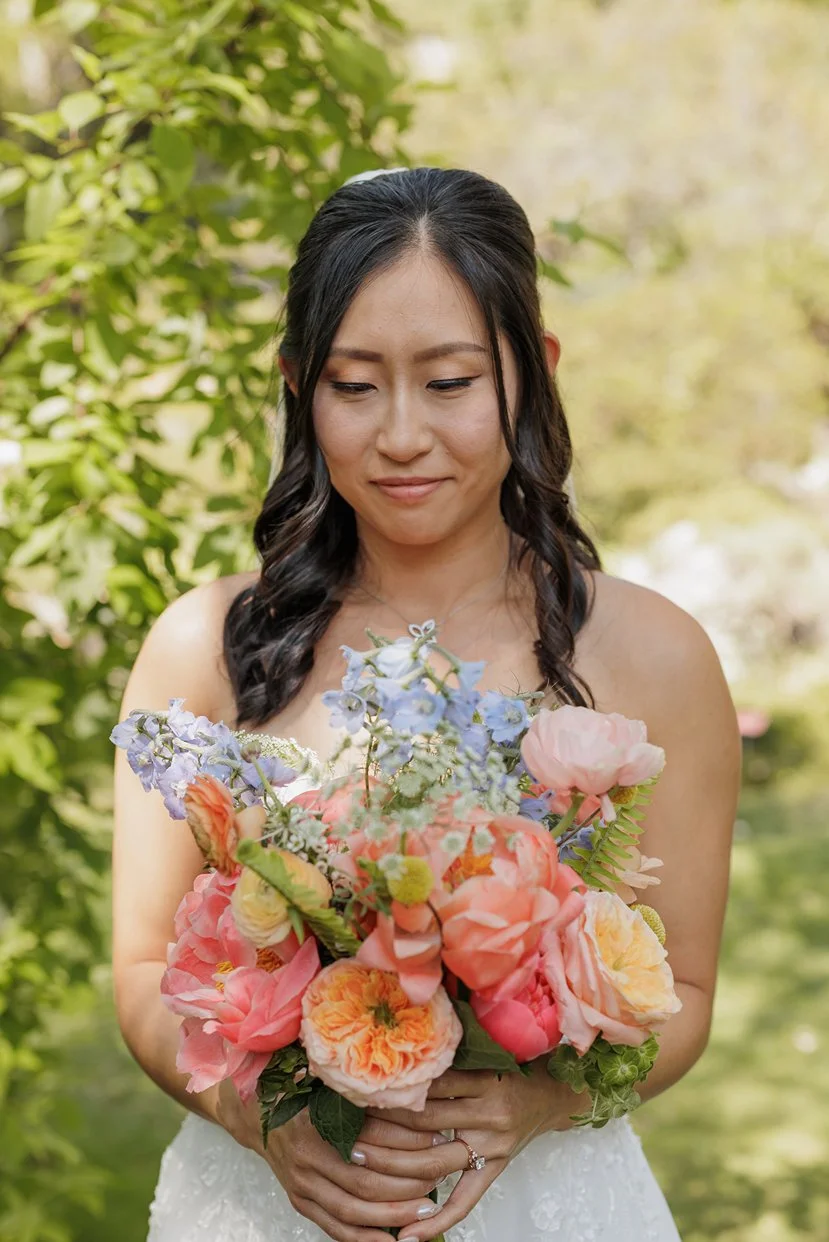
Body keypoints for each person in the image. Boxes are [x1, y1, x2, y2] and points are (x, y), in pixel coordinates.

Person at [112, 166, 741, 1242]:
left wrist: (536, 1103)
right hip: (262, 1210)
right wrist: (260, 1123)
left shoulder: (654, 655)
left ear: (532, 373)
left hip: (543, 1205)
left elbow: (679, 985)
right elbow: (138, 969)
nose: (400, 434)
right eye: (354, 386)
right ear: (297, 383)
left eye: (449, 382)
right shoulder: (204, 648)